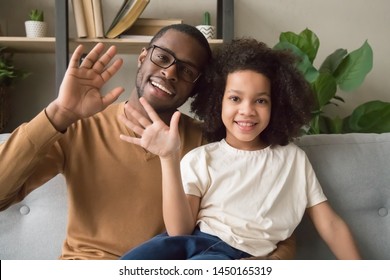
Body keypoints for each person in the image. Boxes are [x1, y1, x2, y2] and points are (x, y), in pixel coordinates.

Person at [0, 25, 294, 260]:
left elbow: (270, 226)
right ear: (143, 57)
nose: (169, 72)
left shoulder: (209, 144)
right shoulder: (78, 126)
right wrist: (58, 114)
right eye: (162, 57)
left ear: (197, 88)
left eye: (187, 71)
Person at [119, 38, 362, 260]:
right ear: (218, 102)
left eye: (260, 100)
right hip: (193, 242)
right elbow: (179, 231)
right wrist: (168, 158)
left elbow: (330, 224)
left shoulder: (294, 160)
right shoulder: (201, 158)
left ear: (276, 105)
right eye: (235, 98)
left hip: (239, 256)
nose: (247, 110)